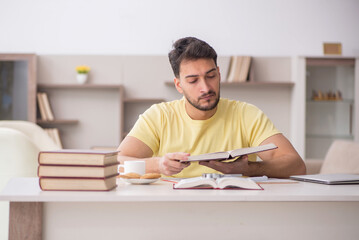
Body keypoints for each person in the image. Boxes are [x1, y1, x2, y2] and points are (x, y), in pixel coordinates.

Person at [118, 37, 306, 178]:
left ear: (219, 75)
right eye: (193, 81)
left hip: (235, 211)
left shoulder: (247, 114)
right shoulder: (158, 116)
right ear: (178, 85)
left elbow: (296, 165)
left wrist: (248, 168)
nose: (206, 88)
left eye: (211, 76)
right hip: (172, 212)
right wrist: (158, 165)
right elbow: (117, 162)